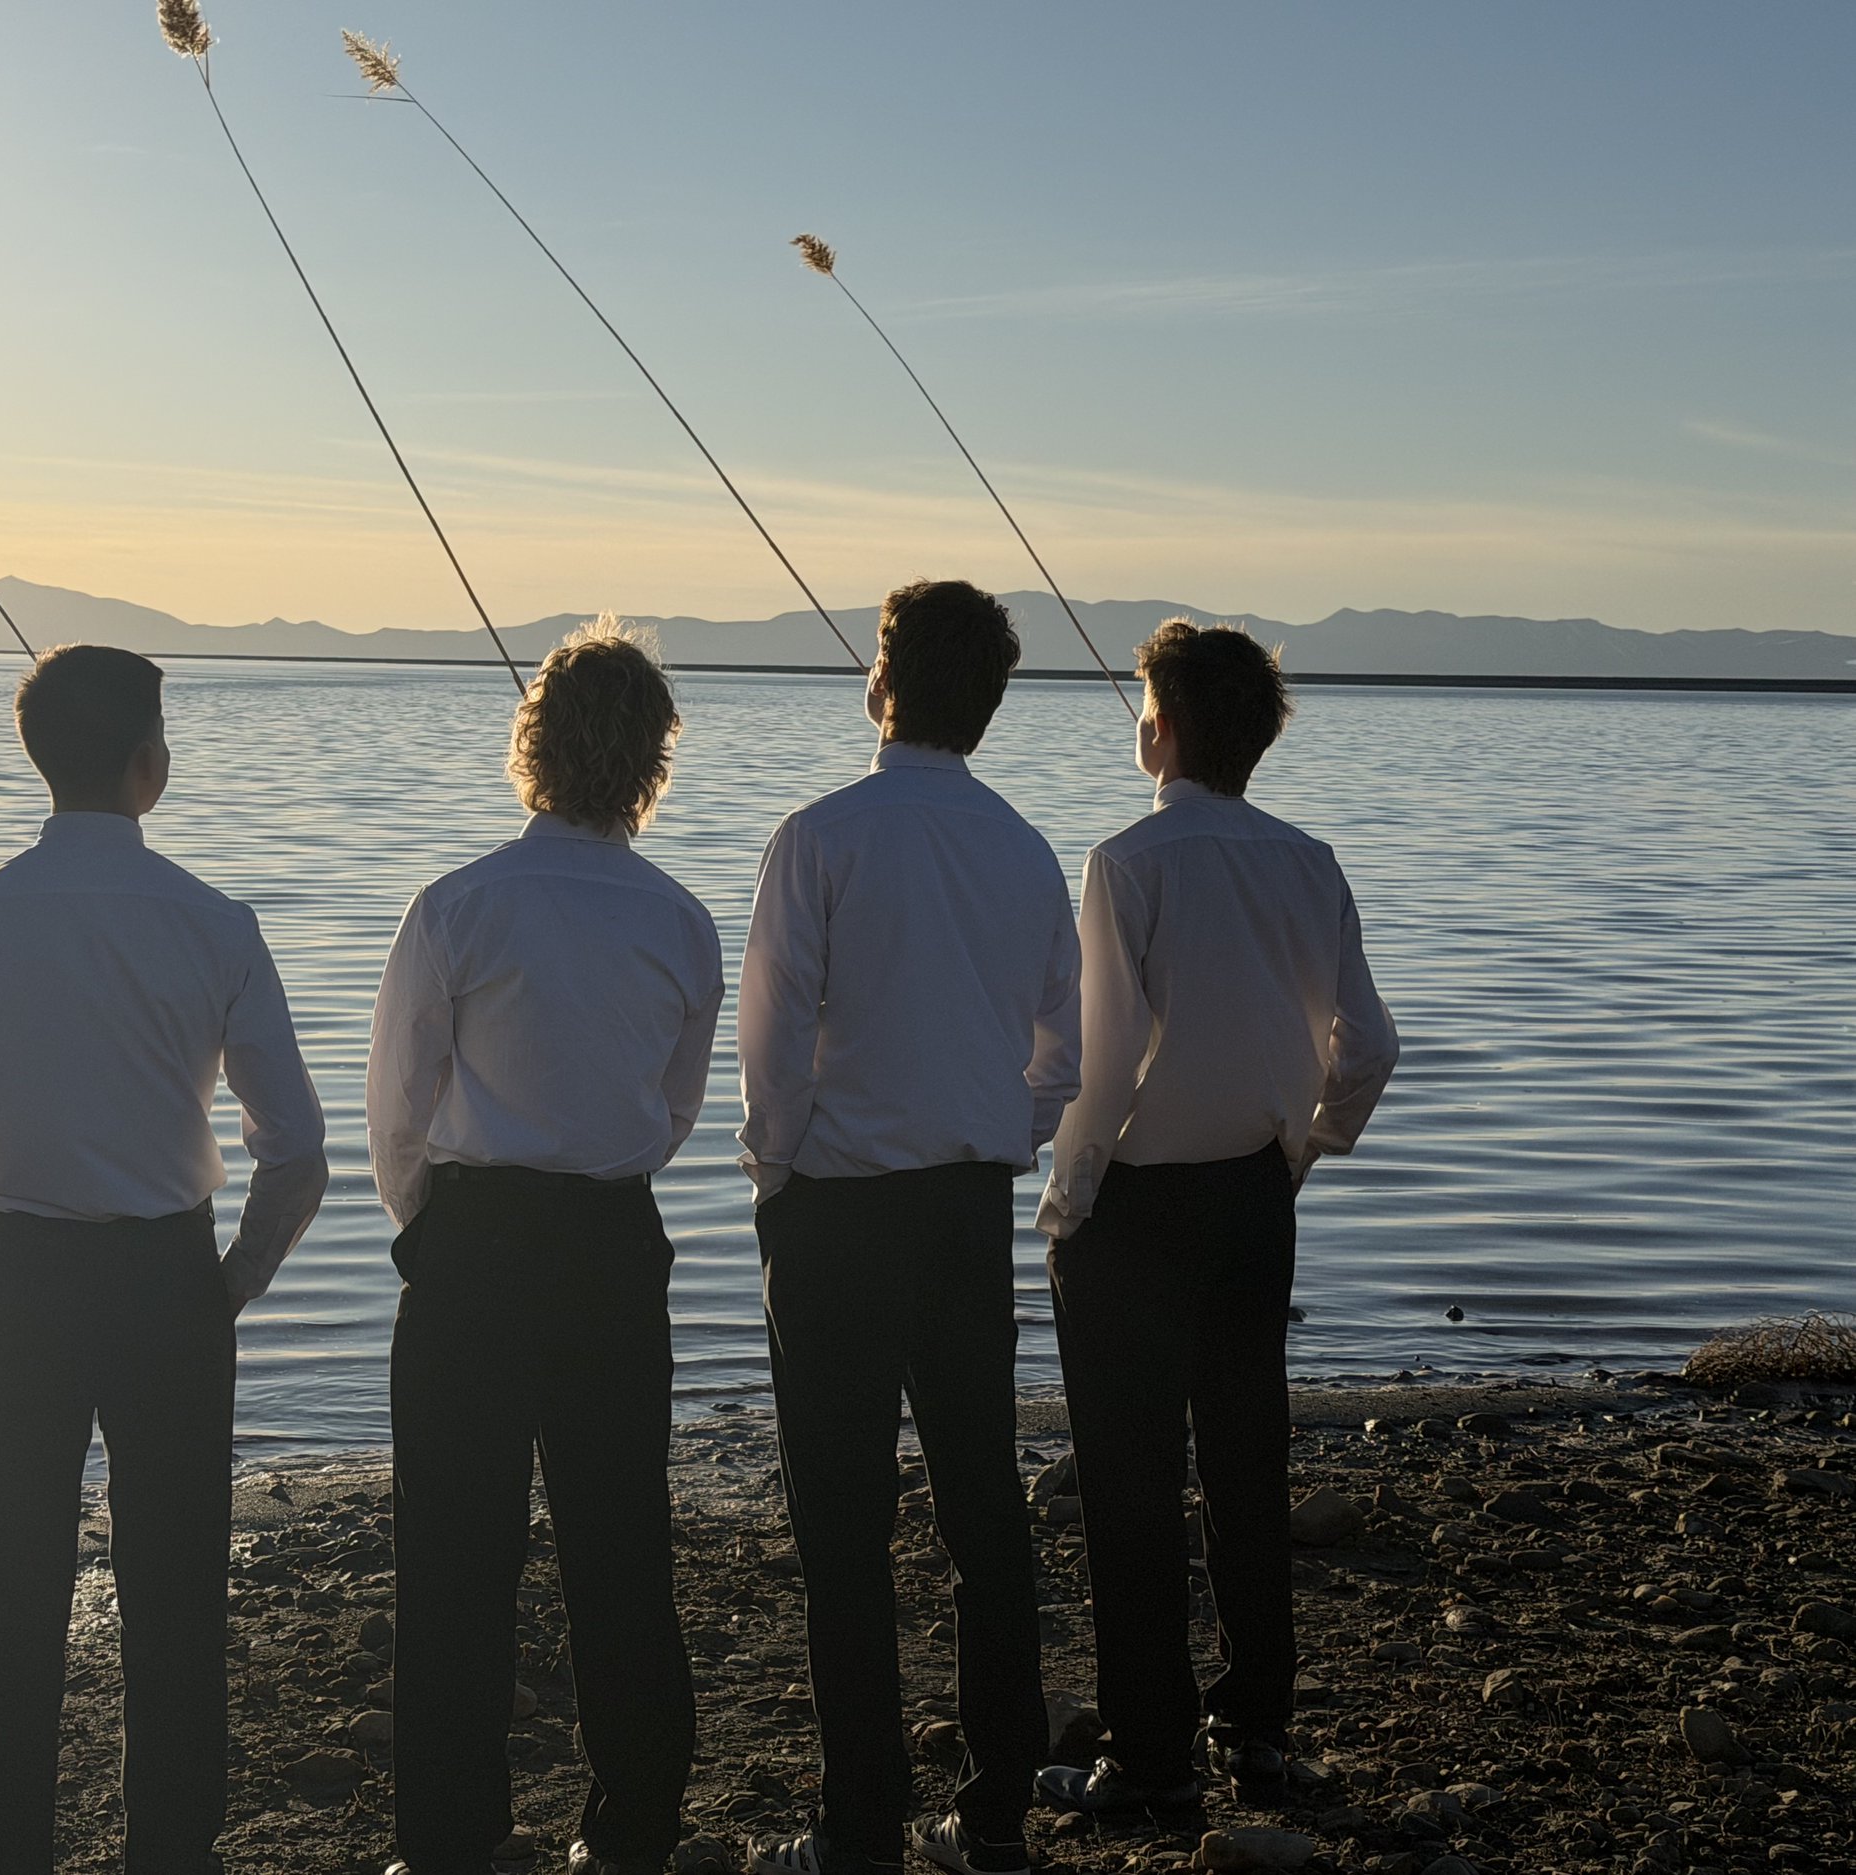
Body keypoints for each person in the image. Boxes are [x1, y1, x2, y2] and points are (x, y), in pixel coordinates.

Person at [0, 643, 330, 1875]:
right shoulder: (215, 925)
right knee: (177, 1607)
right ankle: (173, 1854)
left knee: (13, 1610)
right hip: (171, 1283)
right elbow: (297, 1154)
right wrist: (228, 1284)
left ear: (39, 757)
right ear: (149, 765)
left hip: (19, 1285)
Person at [737, 578, 1082, 1875]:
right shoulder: (1025, 847)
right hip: (966, 1206)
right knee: (984, 1502)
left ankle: (861, 1826)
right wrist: (1004, 1125)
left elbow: (773, 1052)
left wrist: (779, 1173)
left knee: (844, 1522)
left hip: (831, 1208)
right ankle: (996, 1816)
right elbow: (1070, 1049)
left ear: (882, 684)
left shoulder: (818, 837)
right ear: (988, 704)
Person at [367, 621, 720, 1875]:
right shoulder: (680, 923)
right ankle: (634, 1830)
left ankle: (452, 1842)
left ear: (533, 747)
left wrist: (435, 1227)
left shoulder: (456, 906)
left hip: (472, 1248)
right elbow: (672, 1114)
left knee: (454, 1557)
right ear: (647, 766)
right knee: (620, 1544)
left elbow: (396, 1112)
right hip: (614, 1244)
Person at [1033, 620, 1399, 1819]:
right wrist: (1302, 1144)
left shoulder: (1124, 863)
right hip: (1255, 1193)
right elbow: (1370, 1047)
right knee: (1247, 1466)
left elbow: (1101, 1063)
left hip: (1137, 1206)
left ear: (1165, 727)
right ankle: (1259, 1735)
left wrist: (1067, 1197)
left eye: (1146, 702)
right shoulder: (1310, 860)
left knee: (1131, 1484)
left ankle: (1151, 1758)